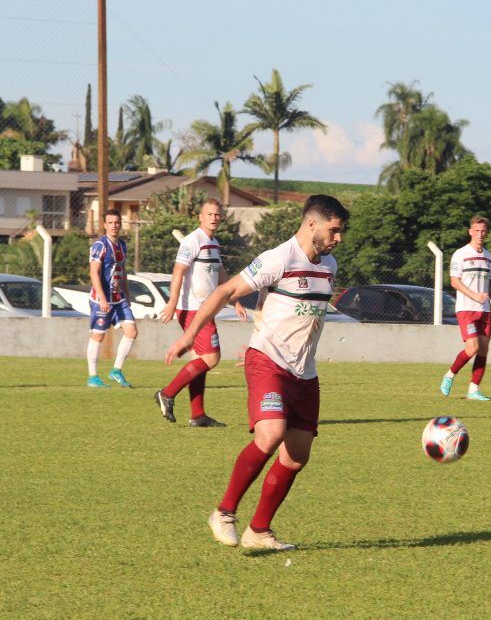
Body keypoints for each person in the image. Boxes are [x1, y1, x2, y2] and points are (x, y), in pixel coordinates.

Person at [166, 194, 349, 551]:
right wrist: (190, 334)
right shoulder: (277, 258)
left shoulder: (330, 265)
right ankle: (224, 512)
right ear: (312, 224)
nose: (338, 238)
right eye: (334, 230)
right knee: (271, 434)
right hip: (268, 361)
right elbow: (226, 290)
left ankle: (259, 531)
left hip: (304, 372)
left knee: (297, 456)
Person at [155, 199, 228, 427]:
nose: (214, 217)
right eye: (209, 214)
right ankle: (167, 393)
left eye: (217, 214)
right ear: (200, 216)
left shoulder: (213, 242)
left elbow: (221, 273)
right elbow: (178, 271)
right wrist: (172, 302)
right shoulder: (192, 240)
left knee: (200, 360)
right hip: (193, 308)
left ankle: (198, 415)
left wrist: (234, 299)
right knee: (211, 358)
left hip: (205, 307)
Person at [440, 216, 491, 401]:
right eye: (476, 230)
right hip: (466, 309)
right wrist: (474, 296)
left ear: (487, 232)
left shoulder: (488, 256)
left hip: (484, 310)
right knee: (472, 347)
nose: (480, 234)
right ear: (470, 232)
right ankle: (450, 374)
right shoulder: (460, 254)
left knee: (483, 349)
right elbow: (454, 281)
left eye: (483, 231)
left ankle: (473, 390)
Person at [85, 209, 137, 388]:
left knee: (131, 331)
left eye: (117, 222)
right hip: (102, 299)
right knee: (98, 336)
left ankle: (116, 370)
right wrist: (102, 298)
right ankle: (93, 377)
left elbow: (122, 272)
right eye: (111, 223)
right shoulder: (100, 245)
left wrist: (127, 294)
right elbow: (94, 272)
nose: (114, 226)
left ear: (120, 224)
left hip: (119, 297)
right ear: (105, 225)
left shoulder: (122, 245)